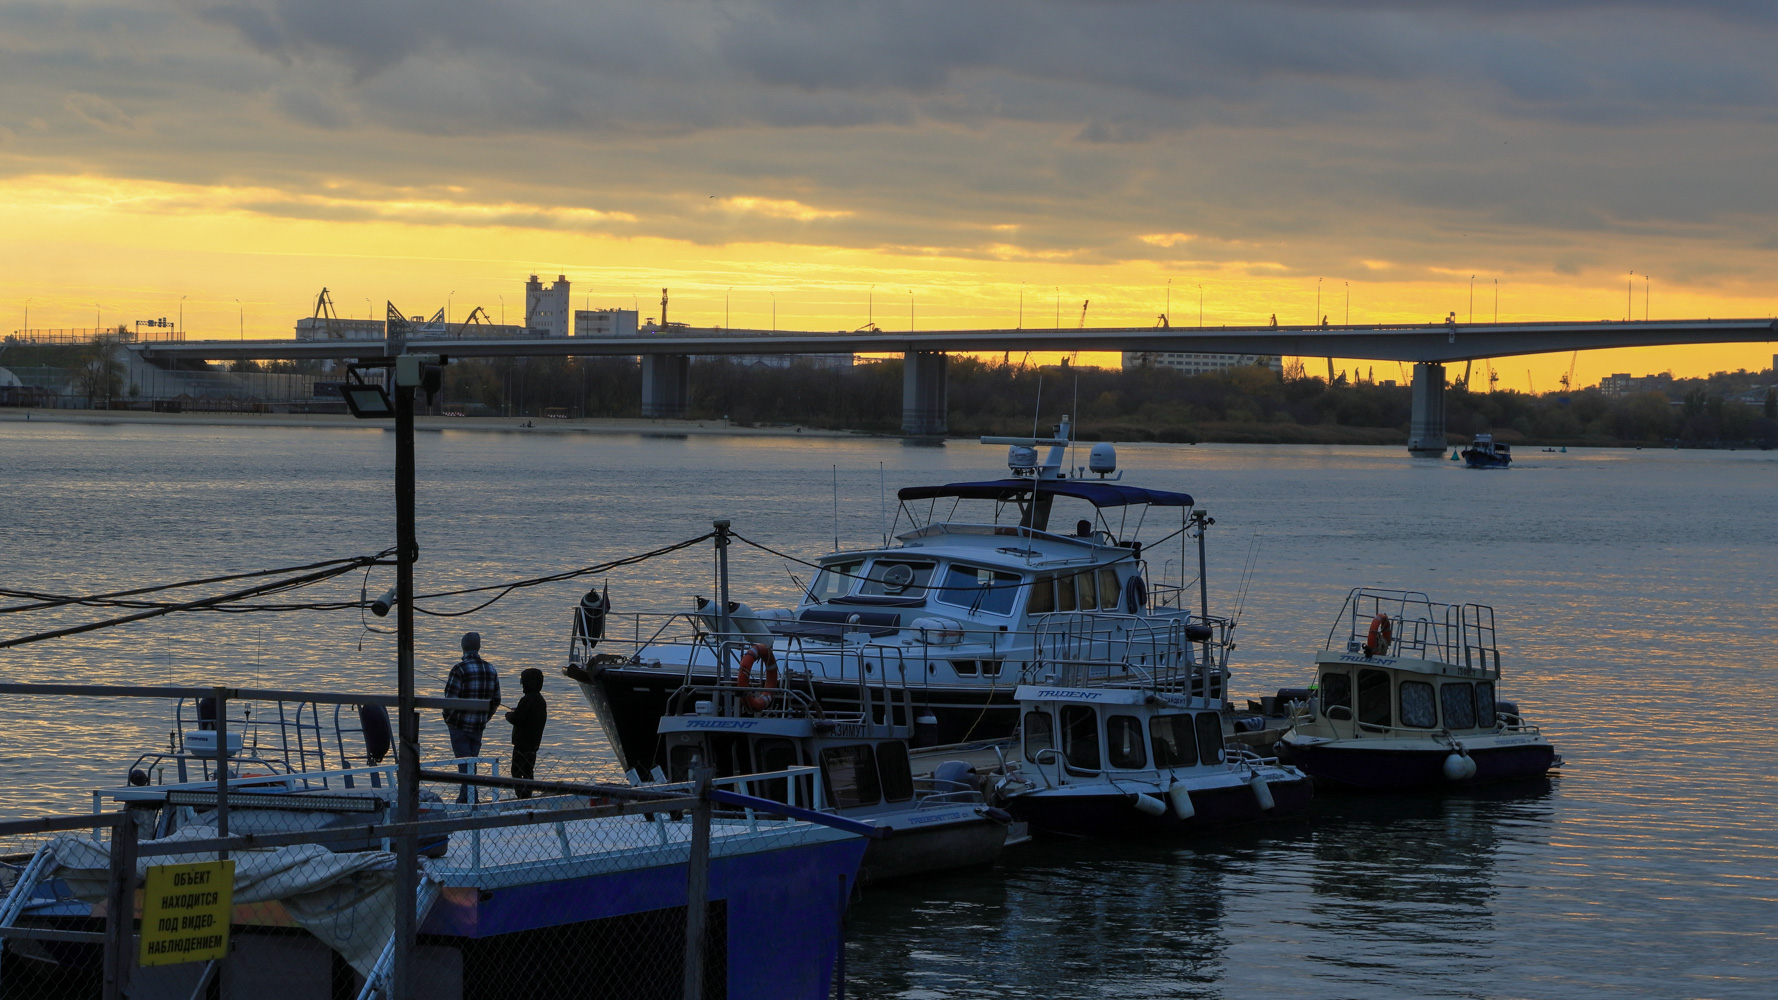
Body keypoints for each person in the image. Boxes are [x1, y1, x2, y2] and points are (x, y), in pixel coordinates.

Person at [443, 631, 501, 803]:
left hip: (459, 725)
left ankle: (470, 800)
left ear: (462, 647)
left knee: (464, 765)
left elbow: (450, 701)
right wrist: (485, 717)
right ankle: (465, 798)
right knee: (470, 764)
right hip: (478, 725)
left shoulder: (459, 669)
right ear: (479, 647)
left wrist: (449, 719)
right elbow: (496, 700)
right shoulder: (491, 669)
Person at [505, 668, 548, 798]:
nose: (522, 684)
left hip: (521, 744)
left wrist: (508, 715)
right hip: (533, 744)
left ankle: (522, 796)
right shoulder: (540, 700)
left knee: (517, 771)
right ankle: (527, 794)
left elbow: (517, 719)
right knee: (528, 771)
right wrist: (518, 711)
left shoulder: (527, 700)